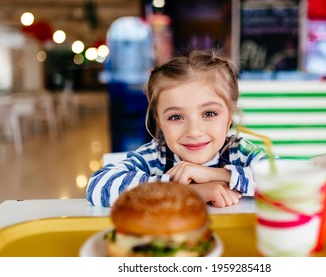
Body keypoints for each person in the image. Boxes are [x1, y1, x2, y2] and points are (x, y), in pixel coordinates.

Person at [86, 49, 267, 208]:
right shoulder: (156, 156)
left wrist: (216, 175)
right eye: (176, 117)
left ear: (229, 117)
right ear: (160, 121)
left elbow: (289, 181)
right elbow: (98, 186)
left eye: (209, 113)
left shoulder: (240, 153)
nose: (194, 131)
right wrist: (187, 191)